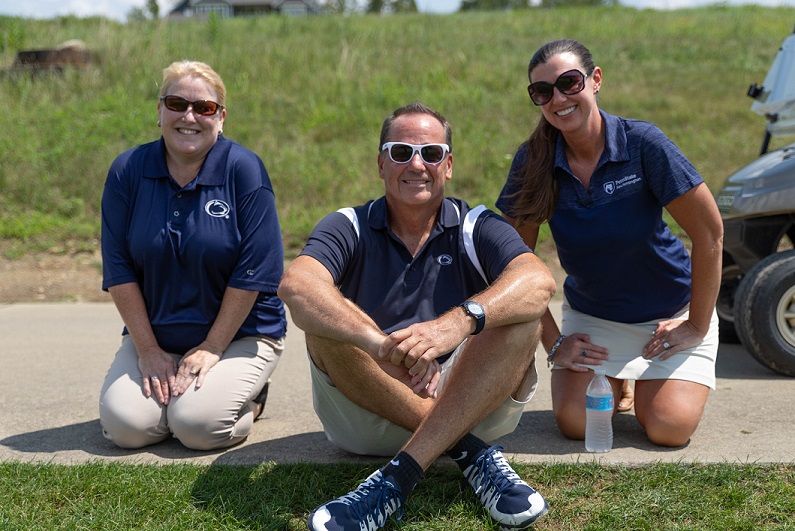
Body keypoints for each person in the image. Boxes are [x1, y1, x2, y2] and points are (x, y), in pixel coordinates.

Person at [278, 102, 556, 530]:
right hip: (373, 407)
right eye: (401, 151)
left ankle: (396, 479)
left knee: (523, 316)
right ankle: (470, 452)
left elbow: (538, 280)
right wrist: (383, 347)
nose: (416, 164)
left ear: (448, 165)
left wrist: (456, 324)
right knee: (324, 325)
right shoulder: (347, 225)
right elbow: (297, 286)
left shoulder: (476, 223)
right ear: (380, 163)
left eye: (430, 153)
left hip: (470, 394)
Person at [497, 39, 723, 447]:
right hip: (593, 318)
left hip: (669, 316)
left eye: (569, 82)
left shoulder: (644, 144)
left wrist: (696, 323)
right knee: (575, 423)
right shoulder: (532, 161)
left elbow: (709, 233)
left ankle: (637, 383)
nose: (558, 99)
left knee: (668, 427)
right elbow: (513, 265)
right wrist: (556, 342)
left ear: (595, 79)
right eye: (543, 91)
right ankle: (617, 380)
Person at [98, 60, 286, 451]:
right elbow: (119, 269)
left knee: (198, 428)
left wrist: (213, 347)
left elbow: (254, 272)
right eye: (176, 103)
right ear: (159, 111)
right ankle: (180, 401)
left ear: (221, 118)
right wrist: (148, 351)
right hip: (155, 336)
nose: (189, 116)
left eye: (203, 107)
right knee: (127, 428)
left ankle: (249, 399)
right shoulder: (127, 171)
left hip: (240, 335)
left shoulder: (244, 170)